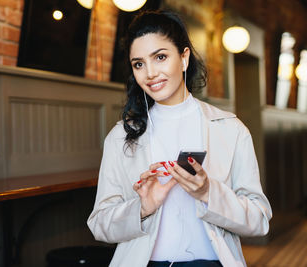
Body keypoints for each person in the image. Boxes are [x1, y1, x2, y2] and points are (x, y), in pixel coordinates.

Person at [87, 10, 272, 267]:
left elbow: (260, 220)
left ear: (184, 58)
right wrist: (142, 208)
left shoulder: (230, 129)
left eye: (160, 57)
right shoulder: (121, 136)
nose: (150, 73)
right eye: (138, 64)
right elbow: (99, 224)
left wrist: (209, 192)